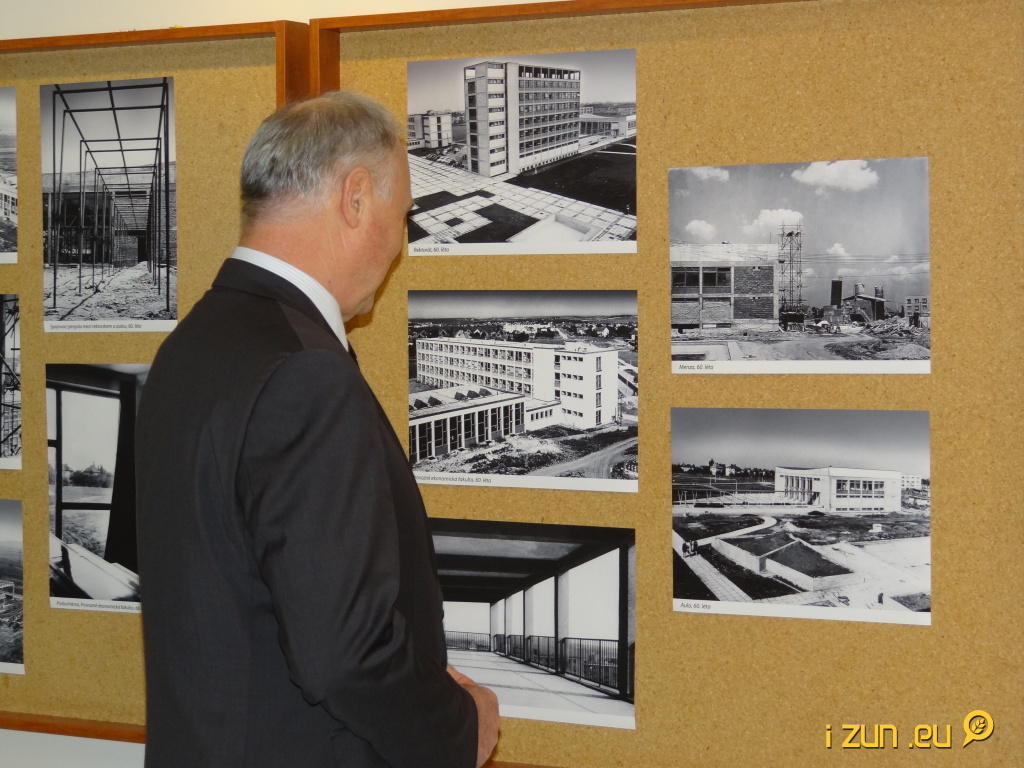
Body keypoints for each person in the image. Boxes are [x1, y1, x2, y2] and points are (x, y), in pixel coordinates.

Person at [136, 91, 499, 768]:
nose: (400, 242)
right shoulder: (306, 374)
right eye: (402, 215)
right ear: (355, 198)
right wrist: (457, 728)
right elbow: (343, 655)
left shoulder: (189, 347)